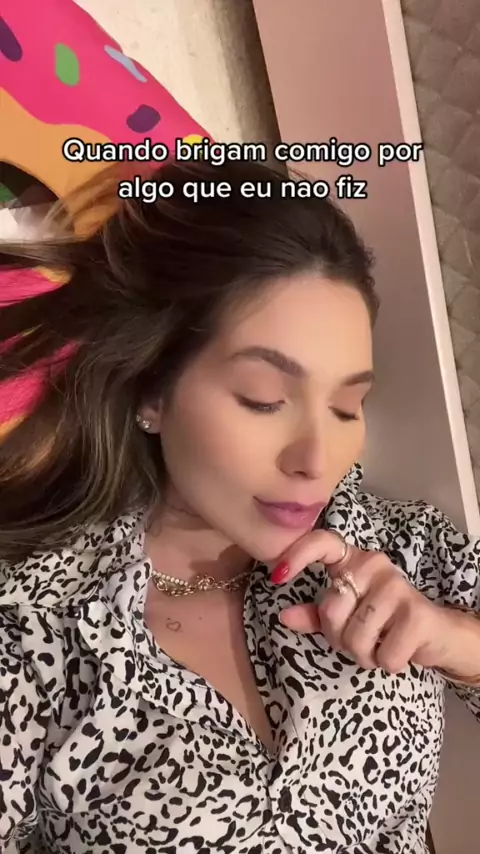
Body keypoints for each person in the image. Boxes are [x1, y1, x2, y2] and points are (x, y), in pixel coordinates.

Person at [0, 160, 479, 854]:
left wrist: (452, 643)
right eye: (264, 399)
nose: (317, 458)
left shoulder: (395, 549)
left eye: (348, 406)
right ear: (152, 390)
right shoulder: (35, 632)